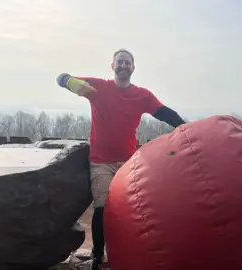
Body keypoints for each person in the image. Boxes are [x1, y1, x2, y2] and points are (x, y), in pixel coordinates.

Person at [56, 49, 186, 269]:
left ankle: (132, 254)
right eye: (120, 62)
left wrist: (185, 128)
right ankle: (98, 256)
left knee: (133, 209)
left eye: (127, 63)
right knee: (102, 208)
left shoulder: (142, 95)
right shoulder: (99, 87)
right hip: (101, 161)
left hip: (129, 162)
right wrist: (70, 82)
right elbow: (61, 78)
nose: (123, 66)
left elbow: (163, 113)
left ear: (133, 68)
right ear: (112, 66)